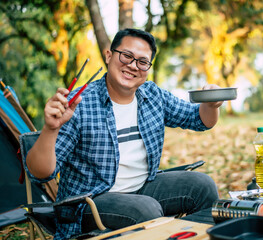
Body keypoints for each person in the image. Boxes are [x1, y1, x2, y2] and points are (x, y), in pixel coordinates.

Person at [24, 28, 221, 239]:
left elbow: (199, 120)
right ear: (109, 55)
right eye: (126, 56)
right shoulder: (78, 104)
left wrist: (211, 103)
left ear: (148, 67)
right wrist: (50, 129)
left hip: (142, 188)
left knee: (203, 186)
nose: (133, 66)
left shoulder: (152, 95)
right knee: (146, 210)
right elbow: (40, 173)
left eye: (142, 61)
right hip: (89, 202)